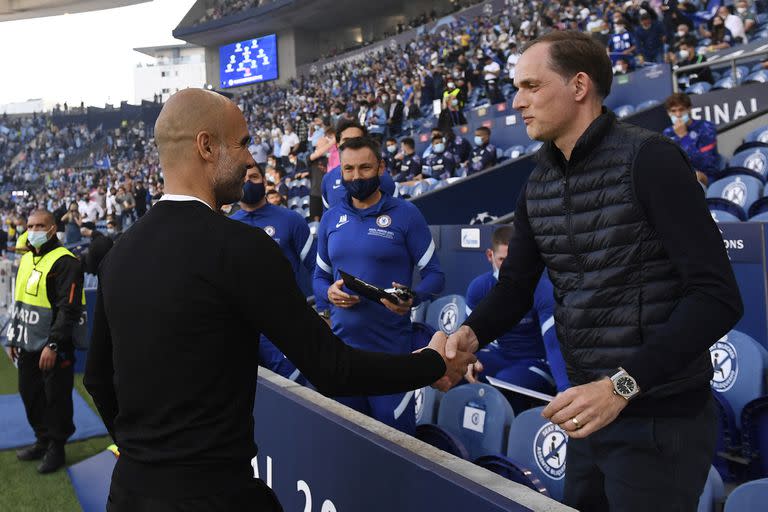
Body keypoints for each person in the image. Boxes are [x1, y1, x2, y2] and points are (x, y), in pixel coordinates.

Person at [83, 89, 474, 511]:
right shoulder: (241, 247)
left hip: (129, 493)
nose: (252, 160)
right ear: (206, 146)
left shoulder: (119, 253)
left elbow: (98, 379)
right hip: (218, 495)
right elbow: (332, 368)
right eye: (243, 142)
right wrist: (433, 362)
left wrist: (144, 456)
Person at [443, 31, 742, 511]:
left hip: (659, 419)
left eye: (531, 86)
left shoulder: (651, 160)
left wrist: (621, 385)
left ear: (579, 85)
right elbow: (516, 287)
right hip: (587, 413)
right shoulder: (537, 182)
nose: (517, 102)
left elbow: (717, 296)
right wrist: (468, 335)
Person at [313, 136, 445, 435]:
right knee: (348, 450)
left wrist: (413, 297)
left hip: (393, 359)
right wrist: (328, 293)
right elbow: (319, 279)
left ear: (381, 167)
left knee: (396, 451)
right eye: (348, 170)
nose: (356, 177)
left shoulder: (406, 214)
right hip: (344, 358)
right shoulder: (332, 218)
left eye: (364, 168)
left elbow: (436, 275)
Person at [7, 209, 85, 474]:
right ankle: (42, 439)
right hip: (27, 340)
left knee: (56, 398)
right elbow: (20, 300)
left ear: (52, 229)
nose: (34, 230)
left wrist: (54, 344)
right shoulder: (28, 258)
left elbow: (69, 308)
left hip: (53, 346)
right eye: (30, 225)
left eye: (40, 225)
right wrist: (13, 336)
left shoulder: (66, 262)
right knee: (29, 393)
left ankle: (57, 447)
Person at [230, 163, 316, 383]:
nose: (249, 181)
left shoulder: (290, 220)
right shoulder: (227, 226)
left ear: (264, 181)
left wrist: (324, 313)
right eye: (243, 177)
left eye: (254, 176)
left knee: (299, 390)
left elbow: (316, 268)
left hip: (286, 323)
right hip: (244, 329)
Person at [464, 226, 568, 398]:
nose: (508, 267)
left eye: (513, 259)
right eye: (502, 259)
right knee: (454, 368)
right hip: (500, 356)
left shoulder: (543, 290)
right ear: (490, 256)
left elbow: (554, 345)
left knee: (505, 382)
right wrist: (466, 359)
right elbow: (467, 337)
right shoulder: (479, 288)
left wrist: (564, 389)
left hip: (537, 362)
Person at [320, 119, 395, 212]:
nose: (351, 144)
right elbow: (328, 219)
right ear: (338, 145)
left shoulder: (382, 177)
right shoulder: (328, 179)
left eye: (357, 140)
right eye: (346, 140)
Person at [663, 92, 720, 182]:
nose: (678, 115)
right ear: (668, 113)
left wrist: (684, 136)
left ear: (689, 109)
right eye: (673, 111)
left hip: (706, 177)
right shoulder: (668, 133)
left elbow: (706, 164)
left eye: (681, 110)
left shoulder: (706, 127)